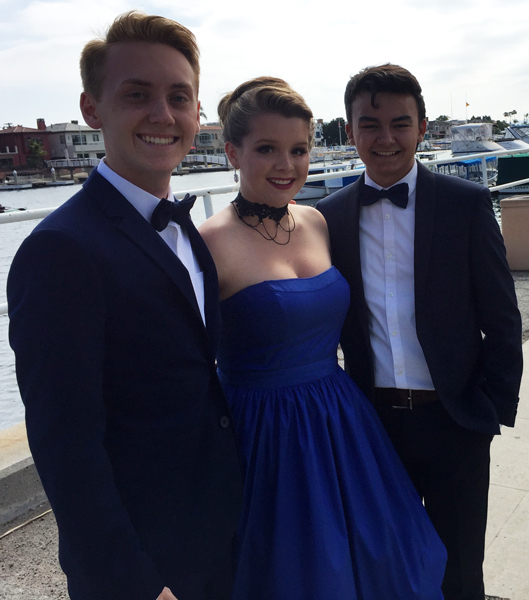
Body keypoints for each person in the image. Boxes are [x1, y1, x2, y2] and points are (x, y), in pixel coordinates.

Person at [7, 12, 242, 600]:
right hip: (146, 566)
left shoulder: (187, 230)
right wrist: (135, 583)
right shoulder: (61, 250)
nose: (163, 114)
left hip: (218, 536)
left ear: (197, 113)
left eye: (178, 97)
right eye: (137, 94)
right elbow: (65, 445)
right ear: (92, 110)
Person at [198, 76, 447, 600]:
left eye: (298, 150)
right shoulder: (207, 242)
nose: (286, 165)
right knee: (296, 572)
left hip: (341, 420)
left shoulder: (316, 221)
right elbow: (186, 362)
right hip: (264, 435)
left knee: (388, 558)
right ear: (232, 153)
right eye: (267, 149)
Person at [316, 64, 523, 600]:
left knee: (460, 568)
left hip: (456, 420)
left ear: (423, 128)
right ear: (350, 130)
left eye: (400, 123)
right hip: (374, 425)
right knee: (388, 566)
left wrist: (490, 412)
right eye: (370, 124)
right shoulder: (326, 218)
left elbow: (502, 318)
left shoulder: (465, 204)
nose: (385, 138)